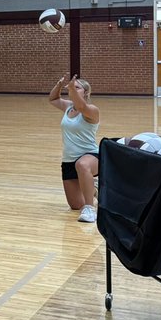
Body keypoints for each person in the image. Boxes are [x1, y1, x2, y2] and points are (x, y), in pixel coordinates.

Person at [49, 74, 100, 223]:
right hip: (68, 160)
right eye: (72, 87)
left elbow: (82, 106)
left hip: (91, 157)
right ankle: (94, 188)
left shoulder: (92, 110)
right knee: (76, 205)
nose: (73, 89)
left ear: (85, 92)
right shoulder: (68, 107)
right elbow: (53, 99)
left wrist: (71, 88)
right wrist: (59, 85)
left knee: (82, 165)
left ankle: (90, 210)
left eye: (77, 88)